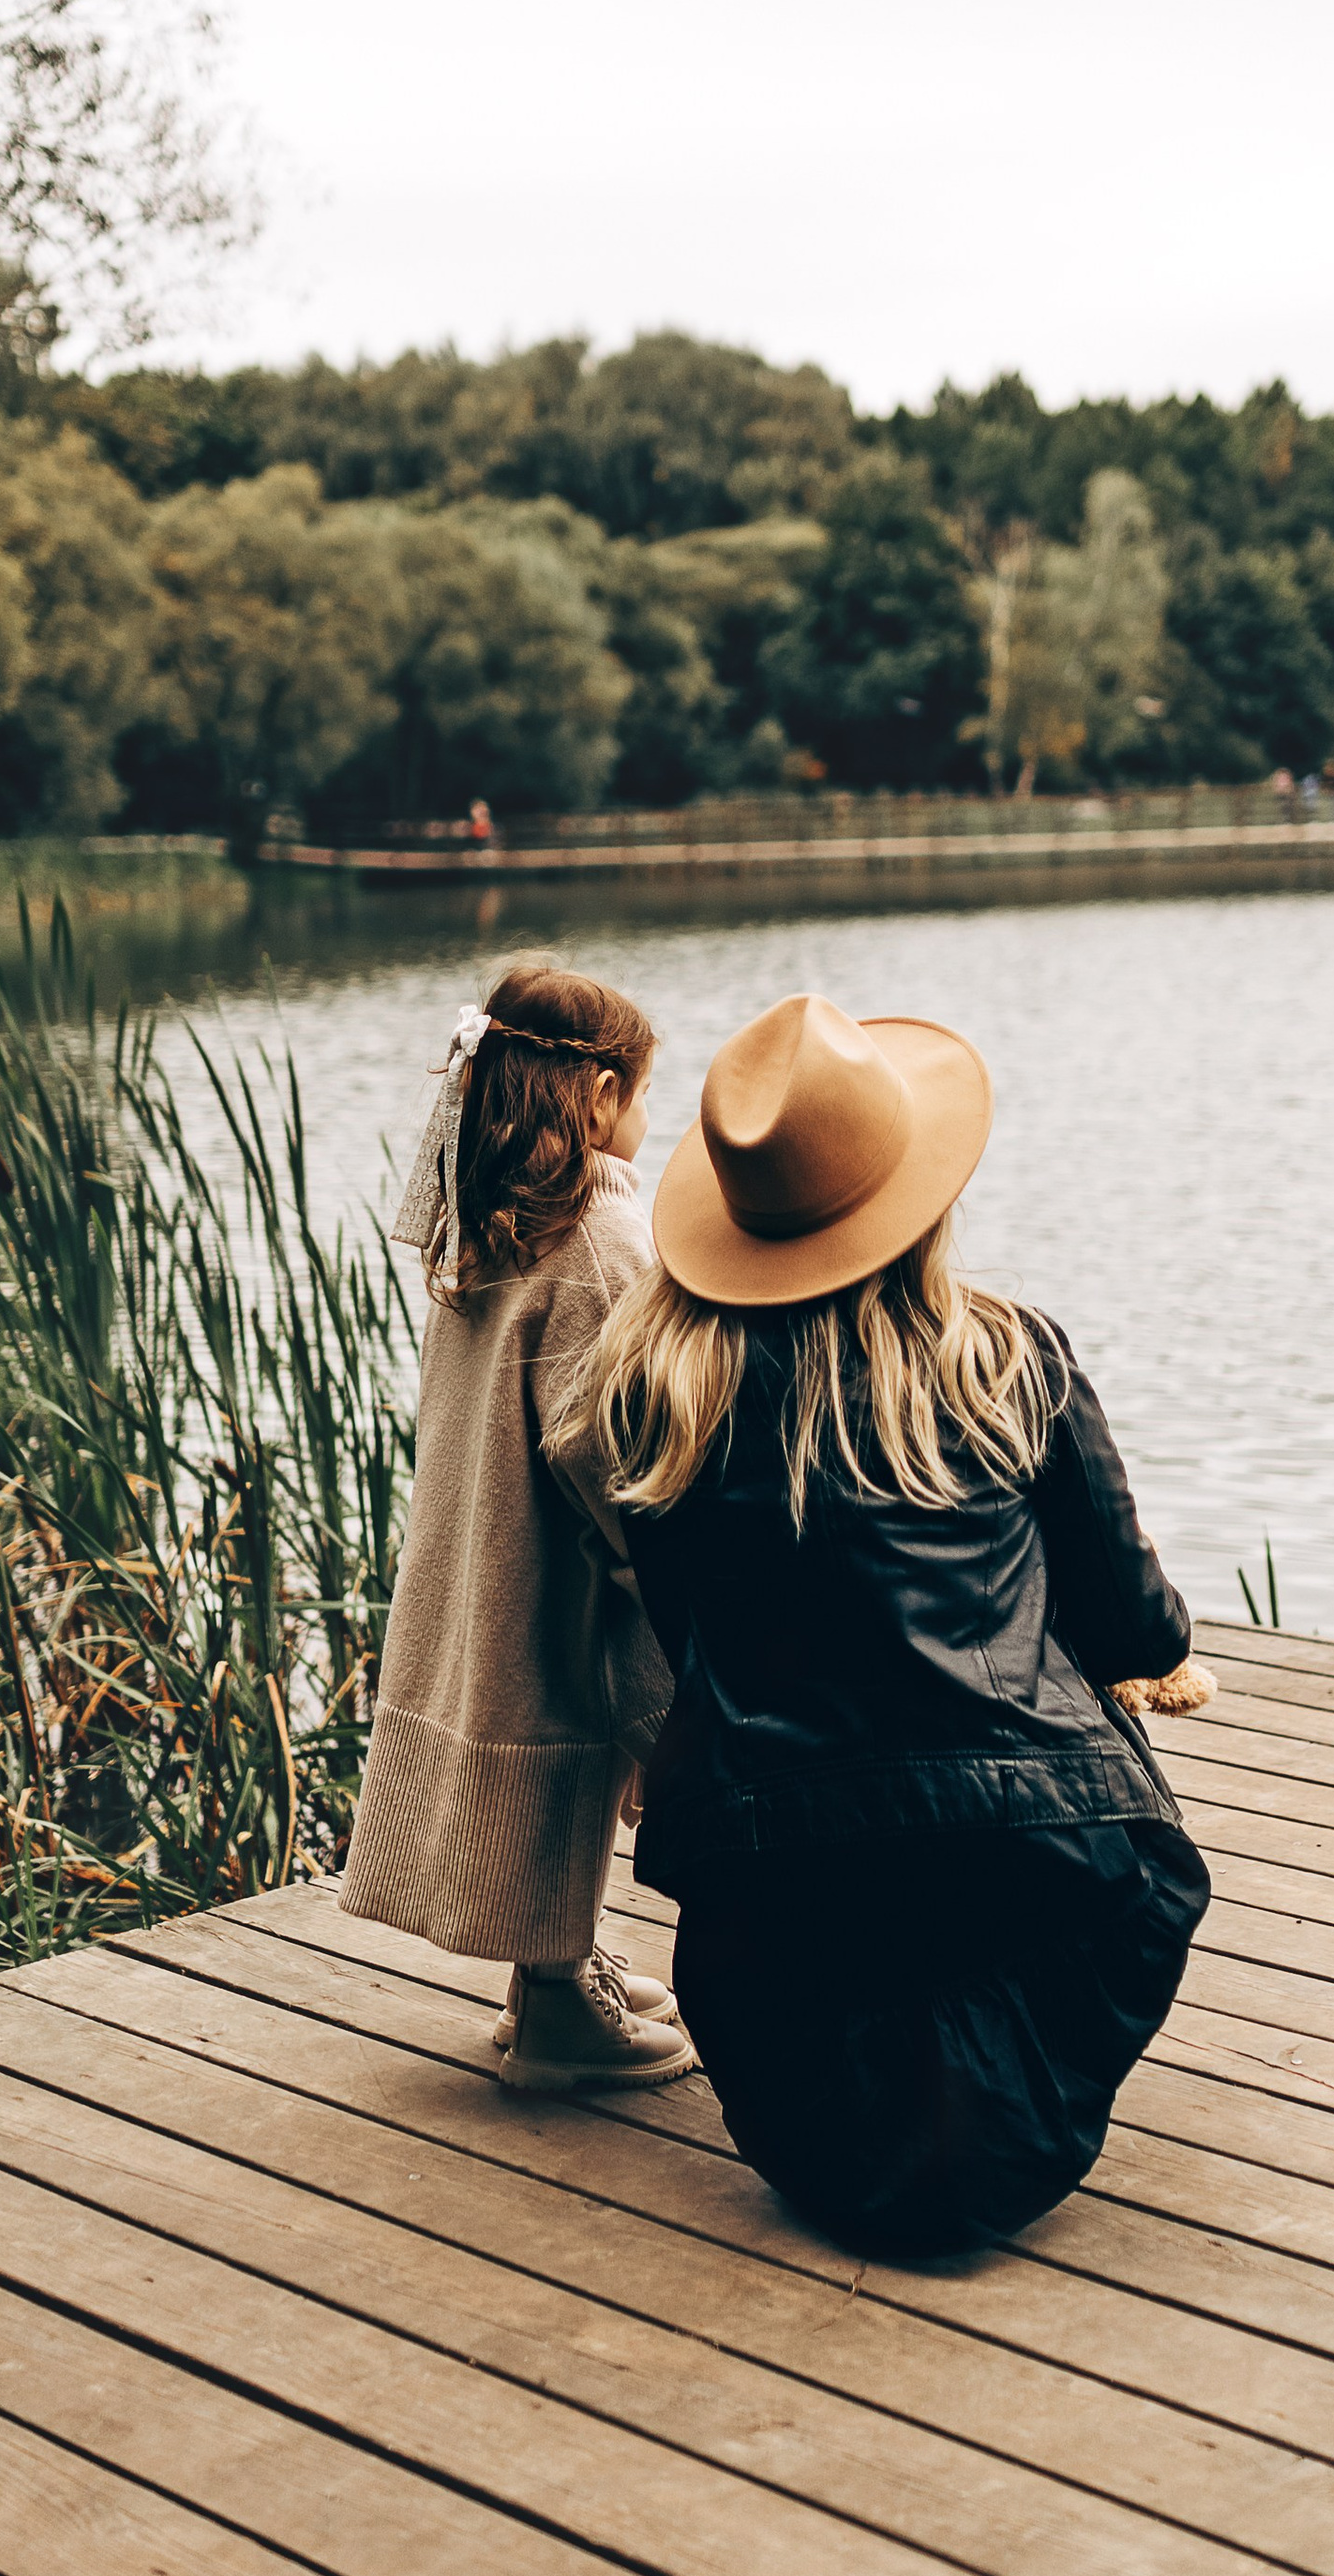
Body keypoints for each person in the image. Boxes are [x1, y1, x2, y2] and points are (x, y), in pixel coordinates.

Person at [555, 993, 1213, 2255]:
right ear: (918, 1197)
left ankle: (911, 2118)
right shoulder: (1011, 1358)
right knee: (1098, 1839)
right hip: (1042, 1855)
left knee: (856, 1971)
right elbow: (1133, 1628)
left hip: (774, 1894)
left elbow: (692, 1648)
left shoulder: (654, 1394)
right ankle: (989, 2112)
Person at [341, 961, 695, 2093]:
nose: (650, 1120)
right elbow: (605, 1442)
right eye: (643, 1093)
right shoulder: (599, 1235)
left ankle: (559, 1963)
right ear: (595, 1097)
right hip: (548, 1556)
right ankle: (555, 2015)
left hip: (479, 1537)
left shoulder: (494, 1208)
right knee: (567, 1734)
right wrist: (668, 1571)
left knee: (544, 1729)